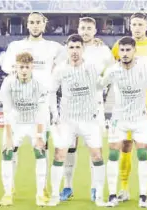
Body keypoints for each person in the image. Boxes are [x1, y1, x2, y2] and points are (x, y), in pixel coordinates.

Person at [1, 12, 64, 198]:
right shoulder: (16, 46)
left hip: (45, 102)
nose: (35, 25)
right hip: (20, 102)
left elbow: (71, 57)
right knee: (11, 148)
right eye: (32, 22)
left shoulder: (54, 47)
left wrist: (94, 43)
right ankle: (9, 188)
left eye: (38, 22)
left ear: (45, 24)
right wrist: (18, 71)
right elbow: (5, 67)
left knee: (41, 146)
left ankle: (42, 189)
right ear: (27, 25)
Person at [111, 12, 147, 201]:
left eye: (140, 24)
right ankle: (124, 188)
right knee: (125, 146)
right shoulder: (119, 46)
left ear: (146, 26)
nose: (137, 27)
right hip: (126, 107)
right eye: (134, 24)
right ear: (130, 26)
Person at [46, 34, 106, 207]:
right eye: (71, 48)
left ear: (83, 49)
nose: (74, 51)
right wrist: (54, 115)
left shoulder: (92, 67)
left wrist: (100, 114)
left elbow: (101, 86)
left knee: (96, 155)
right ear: (67, 49)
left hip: (89, 119)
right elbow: (51, 92)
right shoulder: (60, 69)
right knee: (60, 154)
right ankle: (57, 194)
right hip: (67, 120)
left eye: (77, 47)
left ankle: (98, 192)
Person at [60, 17, 115, 202]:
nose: (85, 31)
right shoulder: (68, 48)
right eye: (82, 27)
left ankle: (94, 188)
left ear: (95, 30)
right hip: (71, 106)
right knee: (69, 147)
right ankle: (67, 186)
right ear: (78, 28)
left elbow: (113, 69)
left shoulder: (102, 49)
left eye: (89, 28)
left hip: (94, 105)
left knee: (95, 148)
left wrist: (102, 86)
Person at [102, 36, 147, 207]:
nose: (124, 53)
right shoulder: (112, 71)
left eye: (127, 50)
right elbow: (99, 86)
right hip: (119, 118)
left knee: (141, 153)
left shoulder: (144, 66)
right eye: (121, 50)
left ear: (134, 51)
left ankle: (143, 196)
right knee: (114, 152)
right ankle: (112, 195)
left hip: (140, 118)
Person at [0, 52, 49, 207]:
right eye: (21, 67)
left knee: (40, 152)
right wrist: (8, 137)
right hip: (16, 122)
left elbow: (42, 112)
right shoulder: (8, 83)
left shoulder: (40, 84)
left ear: (32, 67)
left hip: (35, 122)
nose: (24, 70)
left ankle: (40, 194)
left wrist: (39, 135)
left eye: (27, 67)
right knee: (7, 153)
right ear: (16, 67)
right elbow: (7, 111)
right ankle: (8, 193)